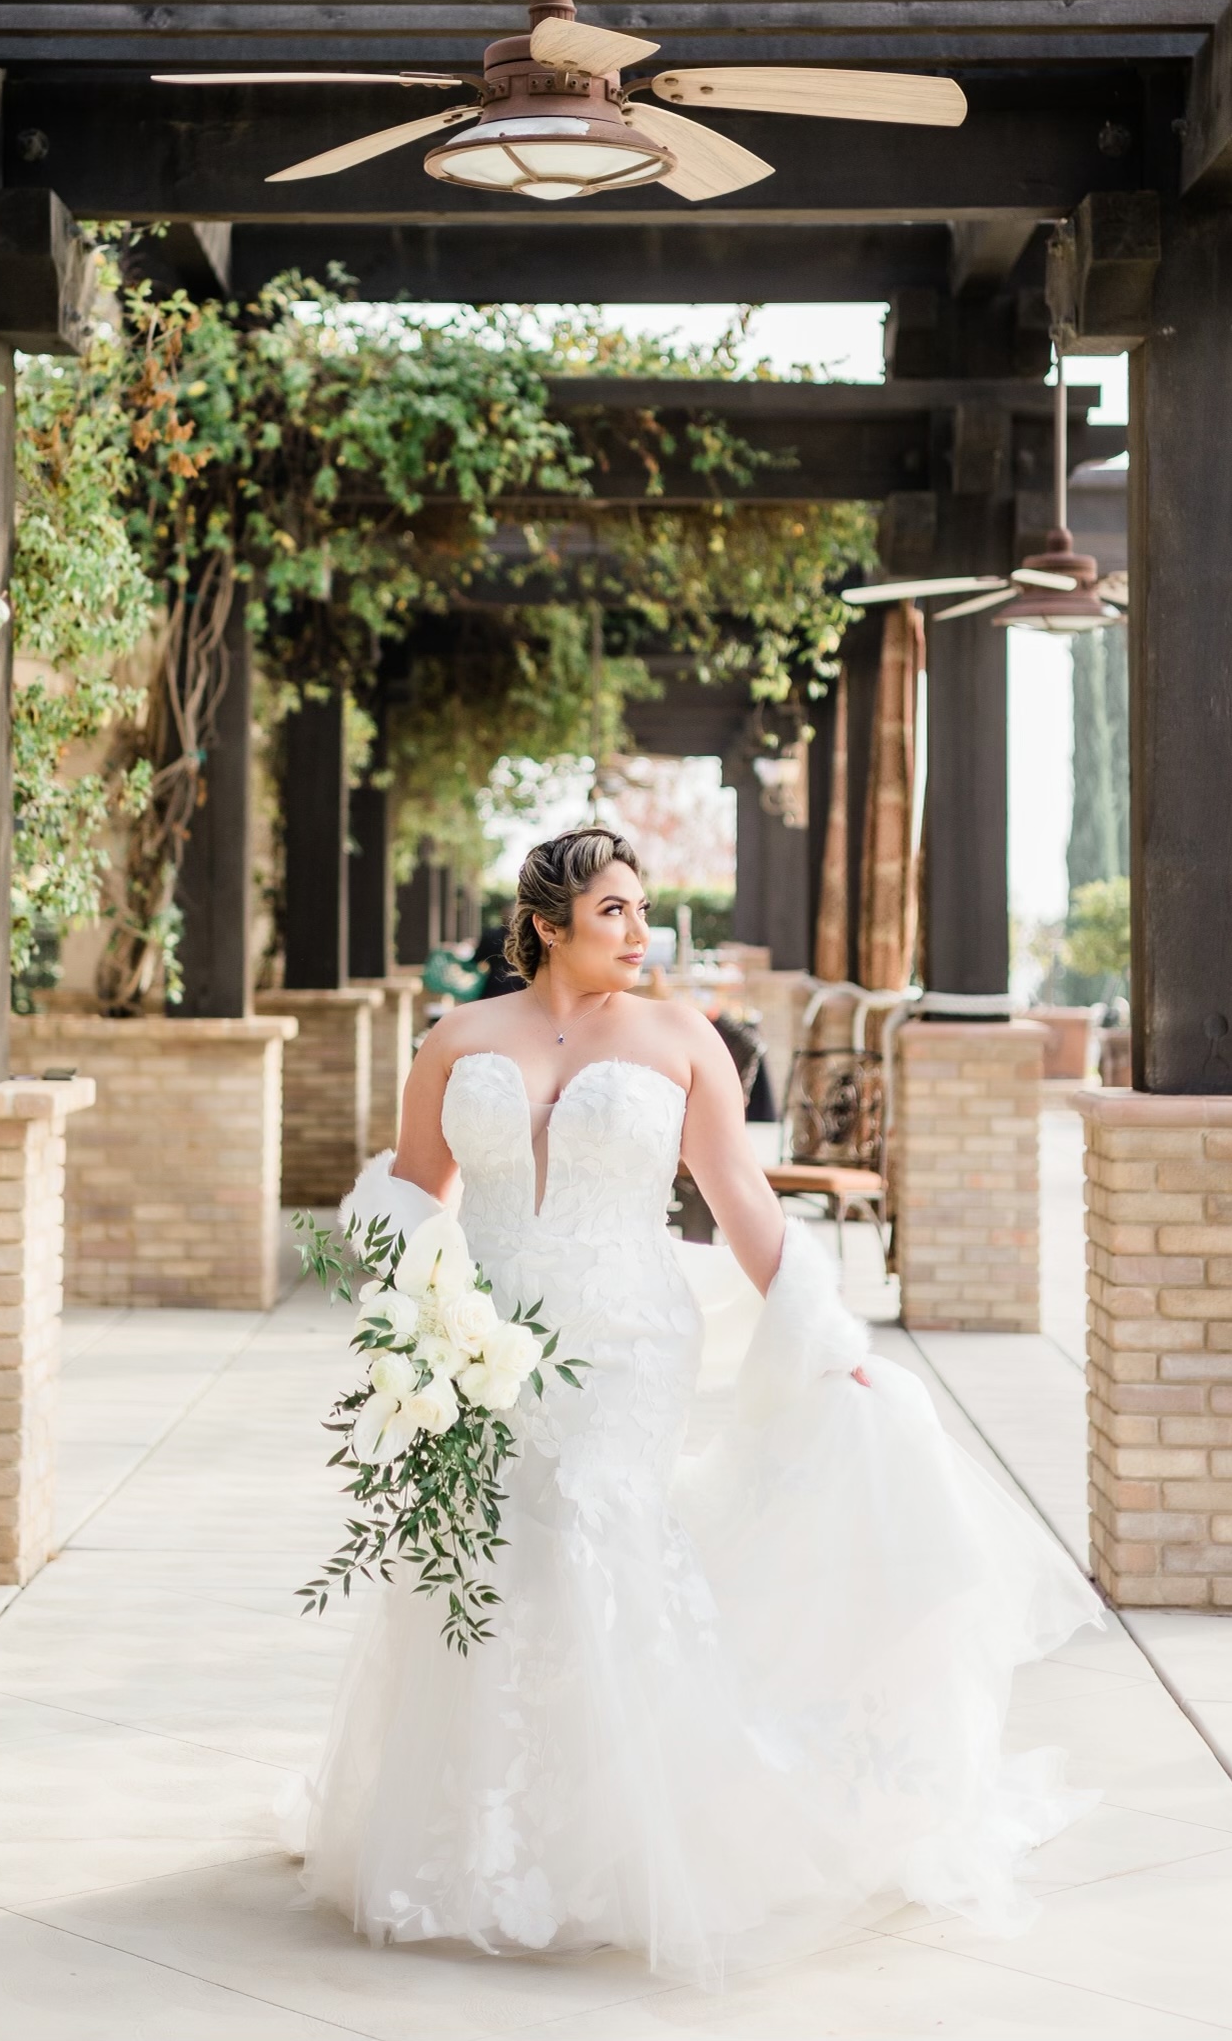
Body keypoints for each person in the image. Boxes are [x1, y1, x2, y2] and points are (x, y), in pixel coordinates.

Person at [291, 826, 1100, 1985]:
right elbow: (422, 1190)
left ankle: (630, 1845)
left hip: (622, 1341)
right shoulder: (457, 1035)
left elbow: (740, 1201)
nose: (639, 931)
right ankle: (480, 1839)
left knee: (592, 1530)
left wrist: (826, 1338)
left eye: (641, 908)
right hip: (481, 1343)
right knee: (487, 1556)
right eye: (614, 909)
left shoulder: (683, 1038)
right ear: (548, 922)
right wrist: (411, 1324)